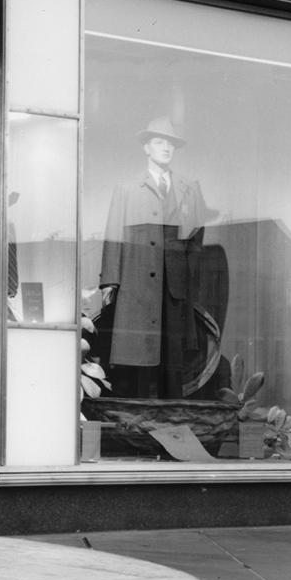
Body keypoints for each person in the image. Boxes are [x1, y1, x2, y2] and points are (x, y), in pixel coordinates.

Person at [93, 118, 227, 398]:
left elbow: (196, 239)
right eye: (158, 141)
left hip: (174, 289)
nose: (166, 148)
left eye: (170, 143)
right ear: (146, 147)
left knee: (172, 360)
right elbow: (113, 234)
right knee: (138, 359)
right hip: (137, 284)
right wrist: (111, 282)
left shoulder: (188, 187)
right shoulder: (127, 188)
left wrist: (190, 281)